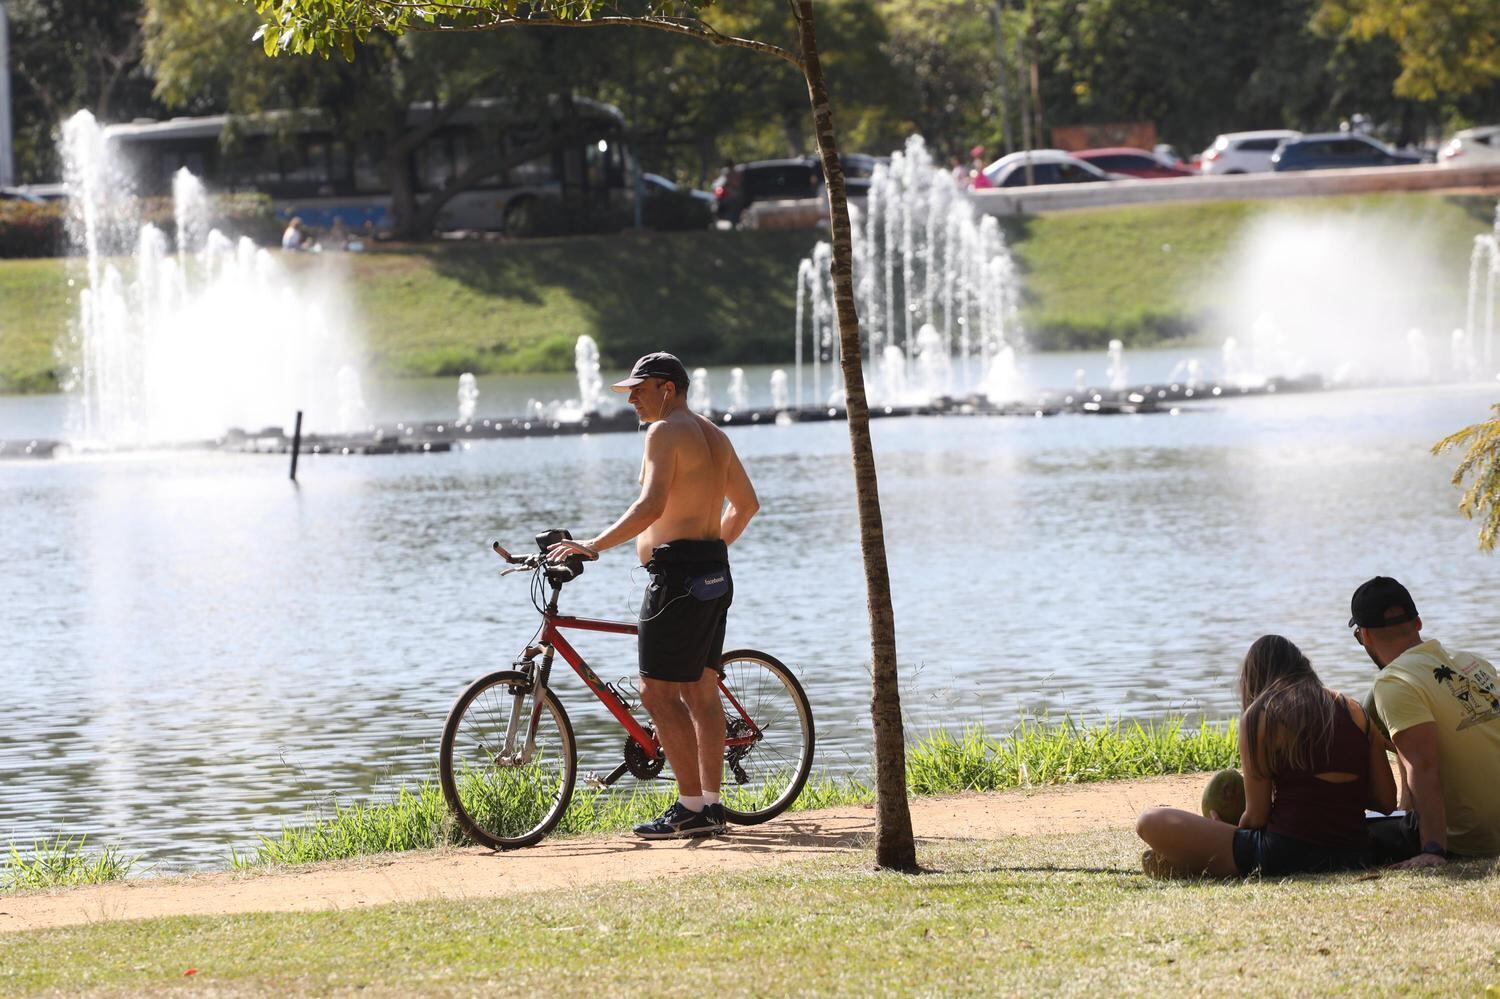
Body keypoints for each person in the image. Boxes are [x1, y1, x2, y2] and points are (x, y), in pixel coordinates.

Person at [547, 352, 760, 839]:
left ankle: (688, 807)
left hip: (676, 580)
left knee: (657, 693)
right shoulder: (714, 434)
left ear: (668, 388)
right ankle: (708, 805)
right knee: (700, 692)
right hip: (713, 574)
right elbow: (747, 505)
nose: (632, 400)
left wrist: (592, 545)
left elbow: (652, 503)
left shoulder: (663, 432)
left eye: (639, 390)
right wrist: (708, 552)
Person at [1136, 635, 1396, 877]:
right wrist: (1336, 796)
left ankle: (1193, 863)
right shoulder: (1357, 713)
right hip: (1356, 854)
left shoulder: (1260, 716)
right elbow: (1386, 802)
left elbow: (1257, 818)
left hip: (1283, 855)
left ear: (1254, 679)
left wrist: (1223, 829)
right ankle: (1192, 863)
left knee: (1150, 820)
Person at [1353, 576, 1500, 867]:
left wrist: (1433, 849)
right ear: (1418, 622)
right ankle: (1406, 811)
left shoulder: (1394, 682)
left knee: (1350, 833)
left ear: (1365, 636)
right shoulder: (1474, 662)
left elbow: (1422, 764)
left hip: (1474, 838)